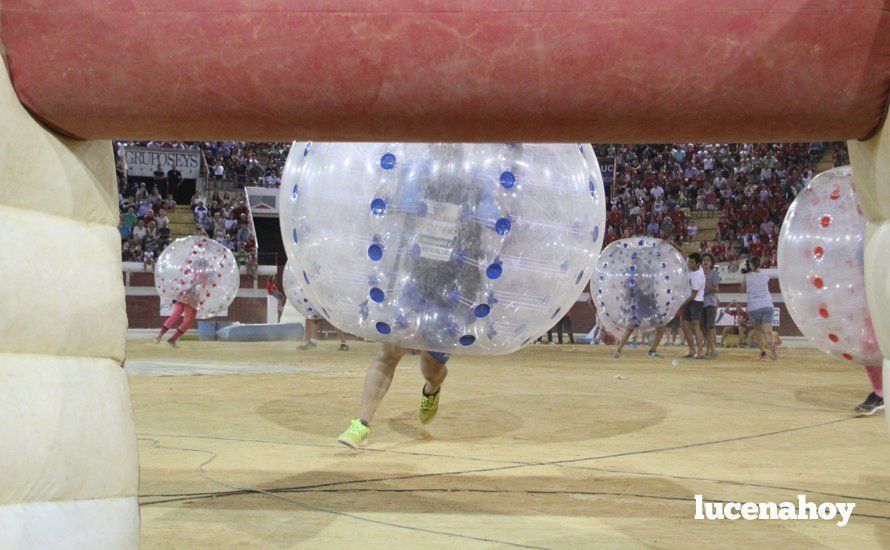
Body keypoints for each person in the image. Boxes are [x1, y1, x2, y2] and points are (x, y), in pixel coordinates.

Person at [740, 256, 777, 361]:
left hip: (754, 306)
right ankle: (772, 348)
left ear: (751, 265)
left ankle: (763, 353)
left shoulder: (747, 276)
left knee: (758, 331)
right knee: (768, 330)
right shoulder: (765, 275)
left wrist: (744, 276)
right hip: (767, 304)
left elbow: (742, 289)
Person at [681, 252, 706, 359]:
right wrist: (673, 244)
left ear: (698, 264)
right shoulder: (694, 268)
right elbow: (684, 253)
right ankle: (692, 350)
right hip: (689, 300)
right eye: (689, 262)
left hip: (695, 301)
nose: (689, 264)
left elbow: (693, 295)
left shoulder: (699, 276)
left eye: (691, 262)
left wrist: (681, 304)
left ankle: (700, 352)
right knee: (685, 325)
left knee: (696, 325)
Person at [700, 253, 720, 359]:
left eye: (708, 260)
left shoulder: (713, 274)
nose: (705, 261)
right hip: (700, 303)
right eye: (704, 259)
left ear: (711, 263)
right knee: (702, 327)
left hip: (710, 302)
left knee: (710, 327)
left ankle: (710, 350)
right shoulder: (698, 274)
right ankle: (711, 349)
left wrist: (707, 286)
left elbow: (717, 289)